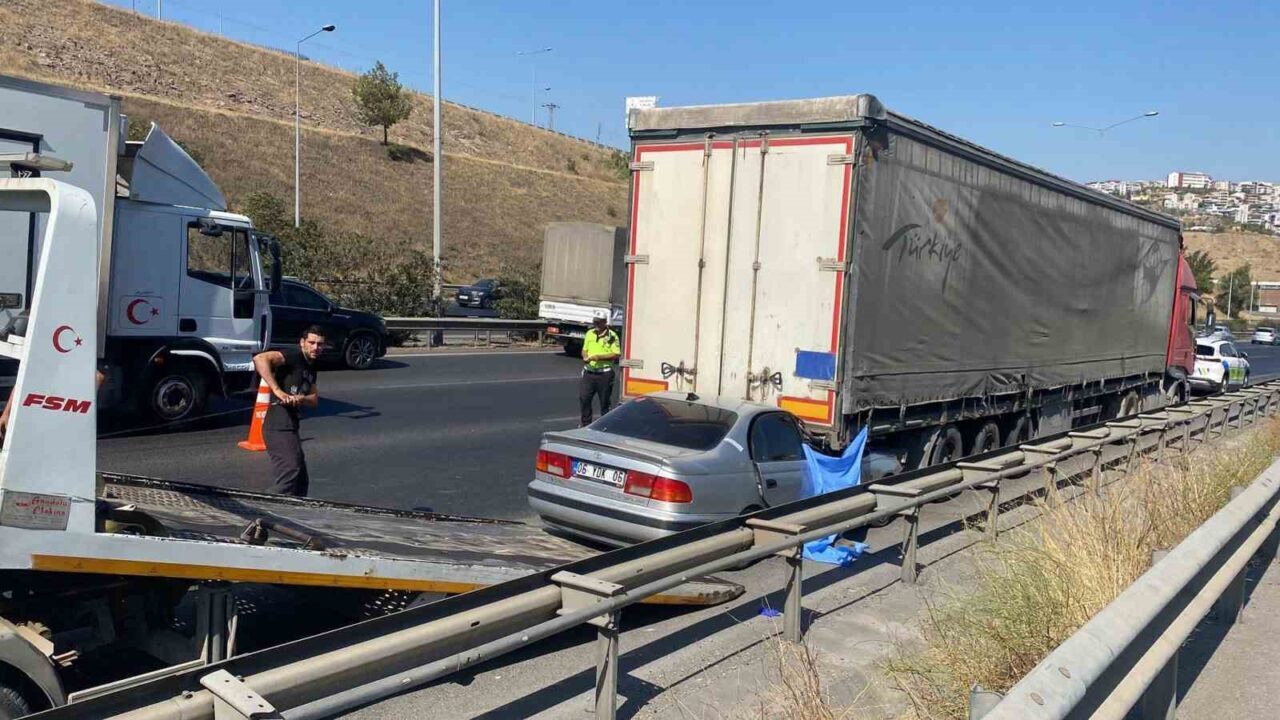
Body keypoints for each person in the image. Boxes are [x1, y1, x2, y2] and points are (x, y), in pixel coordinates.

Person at [253, 326, 322, 496]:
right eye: (312, 343)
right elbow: (260, 359)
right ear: (302, 343)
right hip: (278, 425)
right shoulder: (294, 355)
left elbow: (314, 400)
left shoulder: (311, 366)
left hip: (291, 425)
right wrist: (277, 391)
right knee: (290, 472)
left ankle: (294, 515)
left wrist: (301, 398)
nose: (315, 348)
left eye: (320, 344)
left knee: (300, 481)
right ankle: (266, 512)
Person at [579, 316, 621, 426]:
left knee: (604, 402)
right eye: (594, 322)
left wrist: (599, 357)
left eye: (598, 323)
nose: (596, 325)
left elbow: (616, 354)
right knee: (584, 398)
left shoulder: (612, 336)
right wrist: (585, 356)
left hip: (604, 374)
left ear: (605, 323)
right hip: (589, 372)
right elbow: (584, 350)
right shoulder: (590, 333)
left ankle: (605, 425)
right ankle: (585, 424)